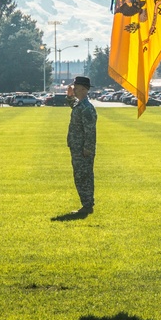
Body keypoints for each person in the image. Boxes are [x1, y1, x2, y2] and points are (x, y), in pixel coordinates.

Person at [66, 76, 97, 215]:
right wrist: (70, 96)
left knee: (84, 176)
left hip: (83, 149)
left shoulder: (87, 108)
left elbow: (90, 131)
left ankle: (87, 205)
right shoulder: (81, 105)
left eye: (77, 88)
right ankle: (86, 204)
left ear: (84, 89)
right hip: (77, 147)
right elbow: (73, 105)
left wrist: (87, 149)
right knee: (80, 176)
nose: (75, 90)